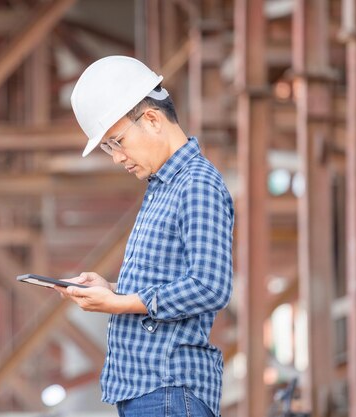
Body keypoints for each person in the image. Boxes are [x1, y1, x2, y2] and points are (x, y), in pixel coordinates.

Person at [55, 55, 234, 417]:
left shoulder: (197, 184)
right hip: (151, 391)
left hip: (169, 389)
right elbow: (165, 281)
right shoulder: (164, 187)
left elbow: (210, 286)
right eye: (108, 147)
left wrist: (121, 304)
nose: (117, 157)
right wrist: (110, 290)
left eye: (117, 141)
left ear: (152, 119)